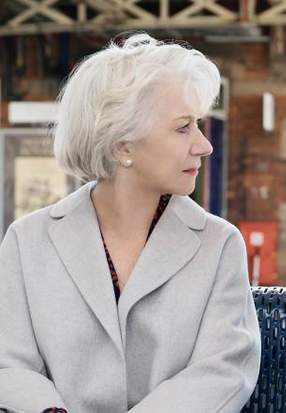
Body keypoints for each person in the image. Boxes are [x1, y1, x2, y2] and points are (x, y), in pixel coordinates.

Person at [0, 33, 261, 413]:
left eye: (198, 124)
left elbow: (224, 369)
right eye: (183, 127)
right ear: (123, 146)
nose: (204, 145)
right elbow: (9, 363)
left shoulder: (218, 244)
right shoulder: (27, 241)